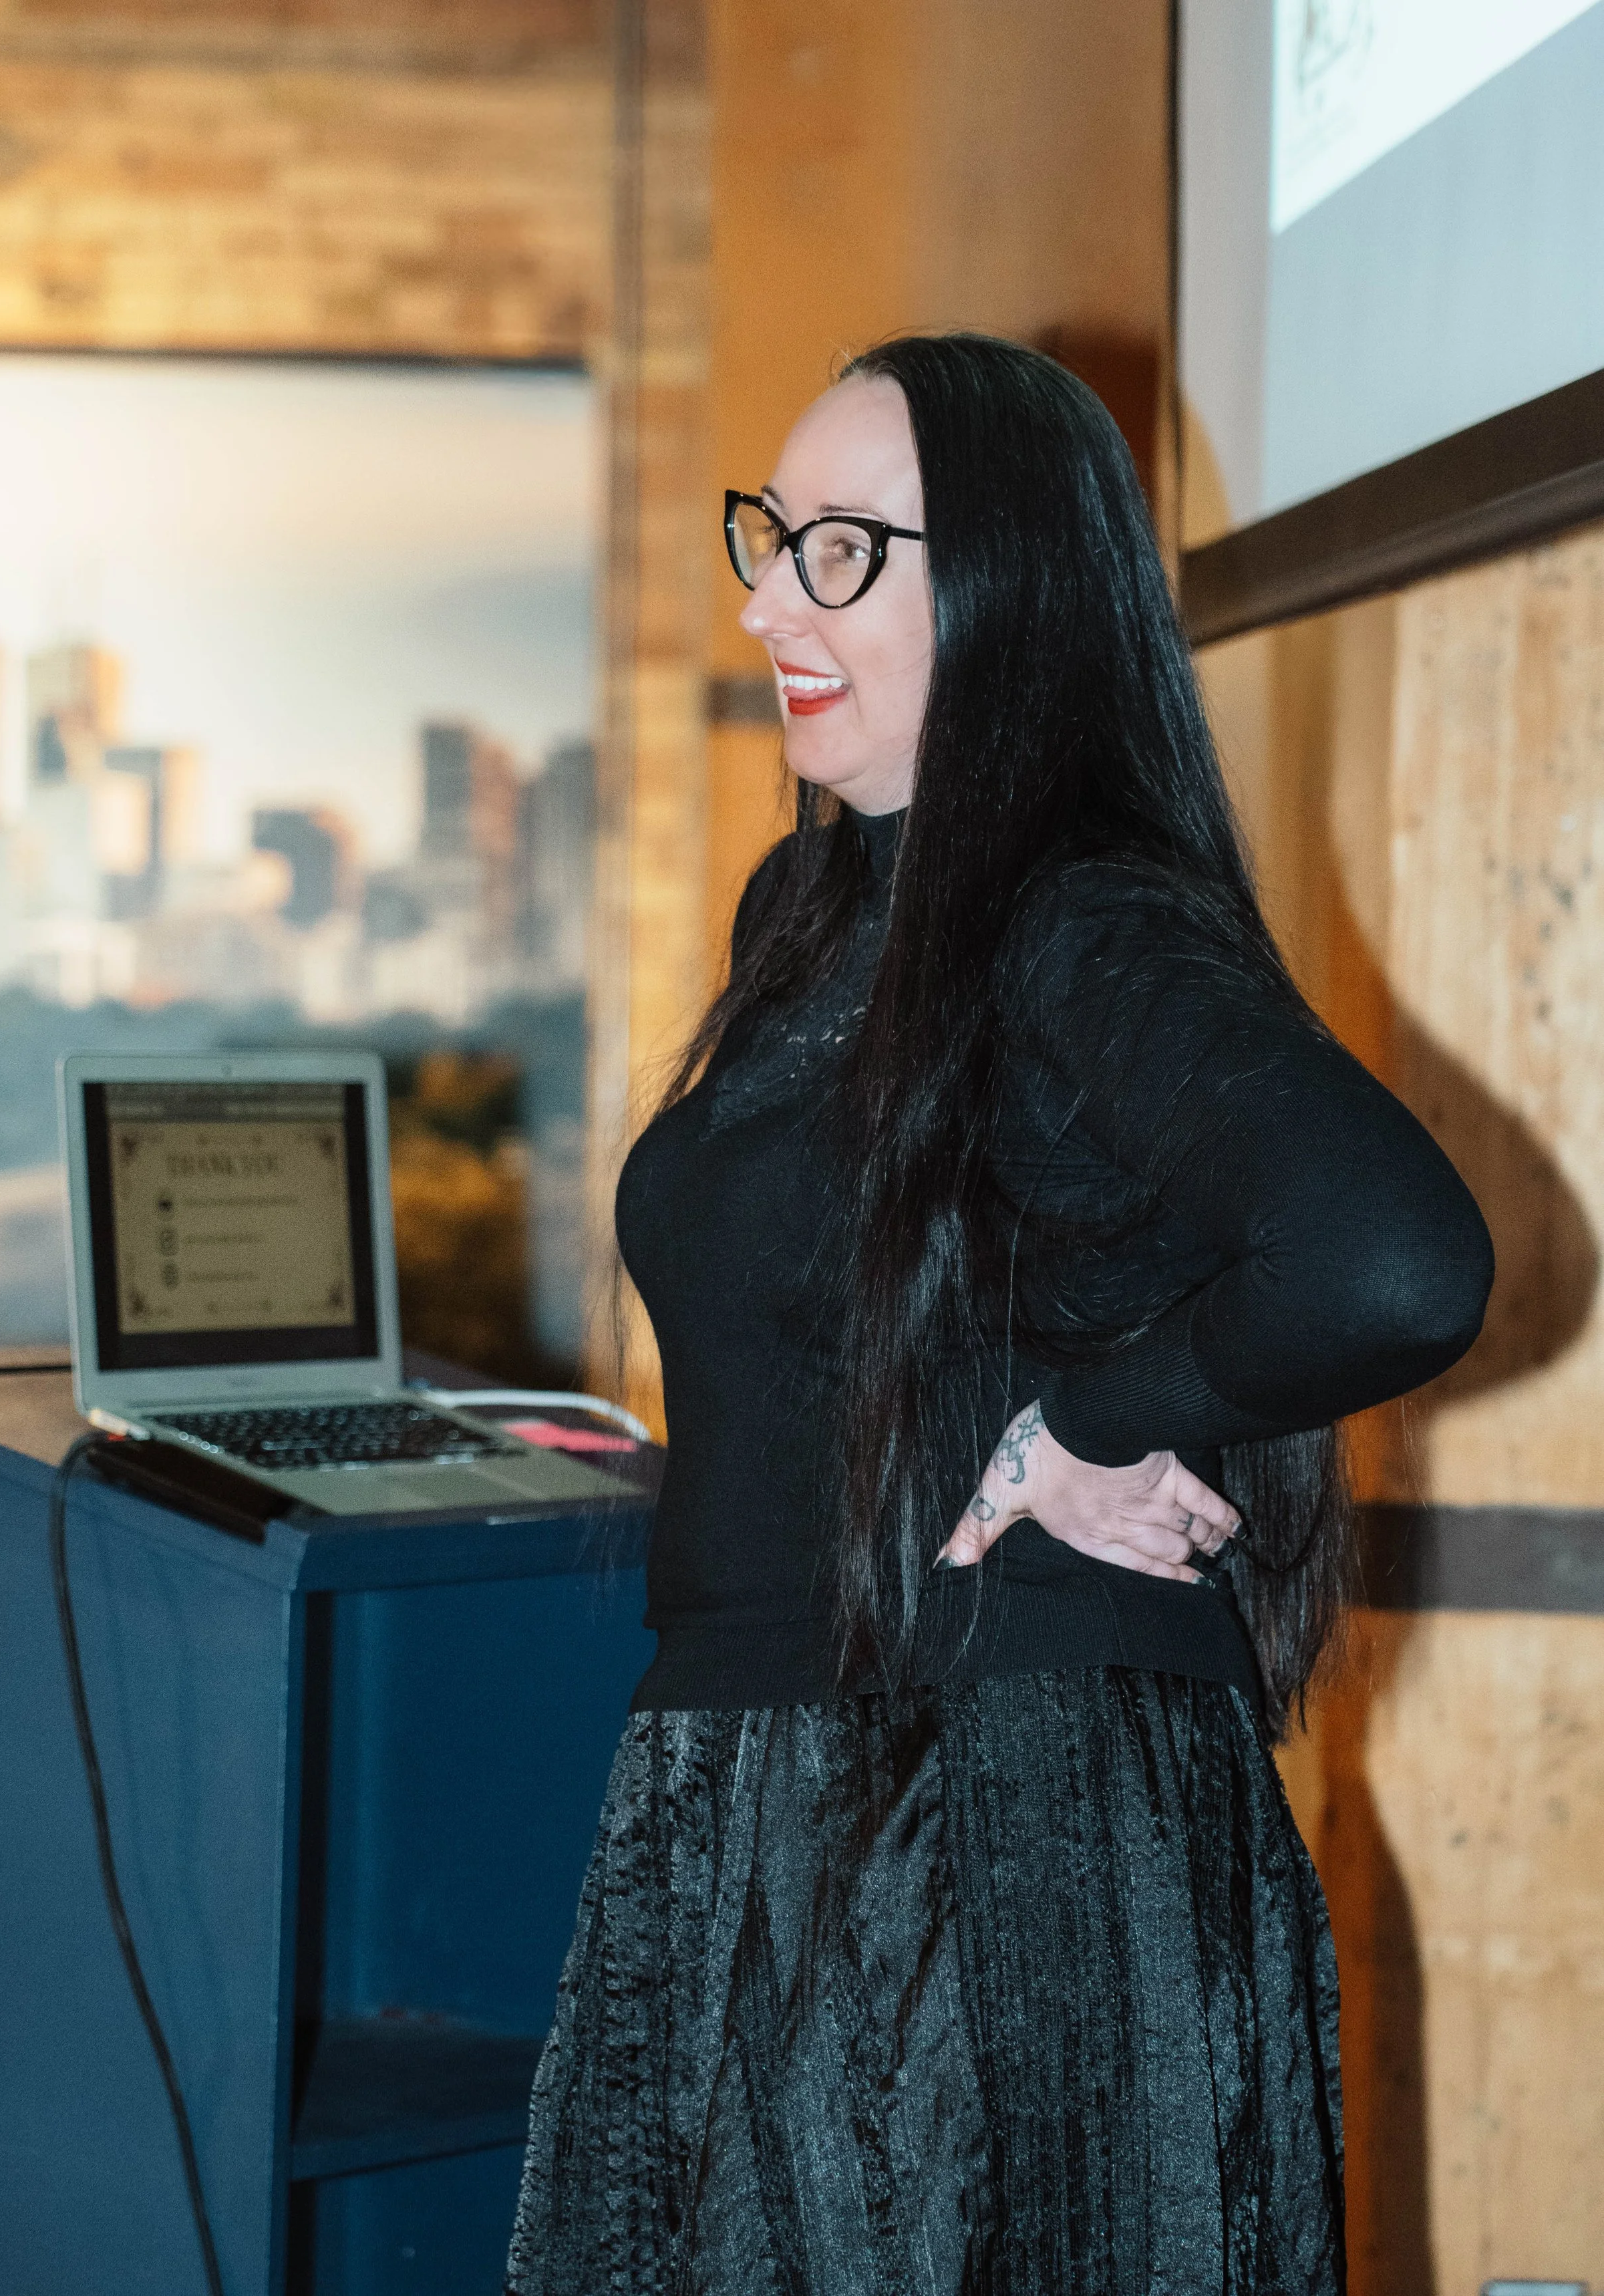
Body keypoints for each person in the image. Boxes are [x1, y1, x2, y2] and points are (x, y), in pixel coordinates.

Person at [505, 333, 1492, 2294]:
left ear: (1015, 591)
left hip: (994, 1827)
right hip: (769, 1784)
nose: (767, 601)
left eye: (842, 552)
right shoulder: (812, 916)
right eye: (773, 537)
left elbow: (1392, 1258)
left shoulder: (1080, 915)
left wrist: (1090, 1424)